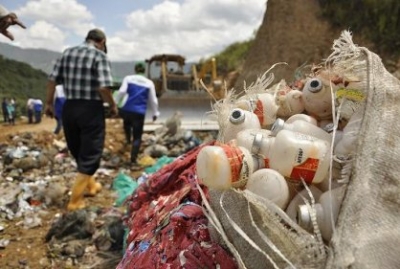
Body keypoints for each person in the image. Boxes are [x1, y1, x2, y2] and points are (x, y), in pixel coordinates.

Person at [45, 28, 117, 211]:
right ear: (102, 41)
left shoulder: (68, 52)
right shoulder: (99, 56)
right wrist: (113, 105)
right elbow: (103, 88)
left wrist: (49, 103)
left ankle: (91, 186)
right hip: (90, 108)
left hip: (70, 108)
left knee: (78, 149)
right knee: (91, 151)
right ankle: (75, 200)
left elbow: (52, 80)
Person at [114, 62, 160, 165]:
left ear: (135, 69)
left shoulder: (128, 78)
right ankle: (133, 159)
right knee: (137, 136)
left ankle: (127, 140)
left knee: (126, 125)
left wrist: (115, 104)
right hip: (139, 112)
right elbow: (153, 100)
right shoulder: (149, 83)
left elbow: (121, 92)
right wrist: (155, 113)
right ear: (144, 70)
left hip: (126, 109)